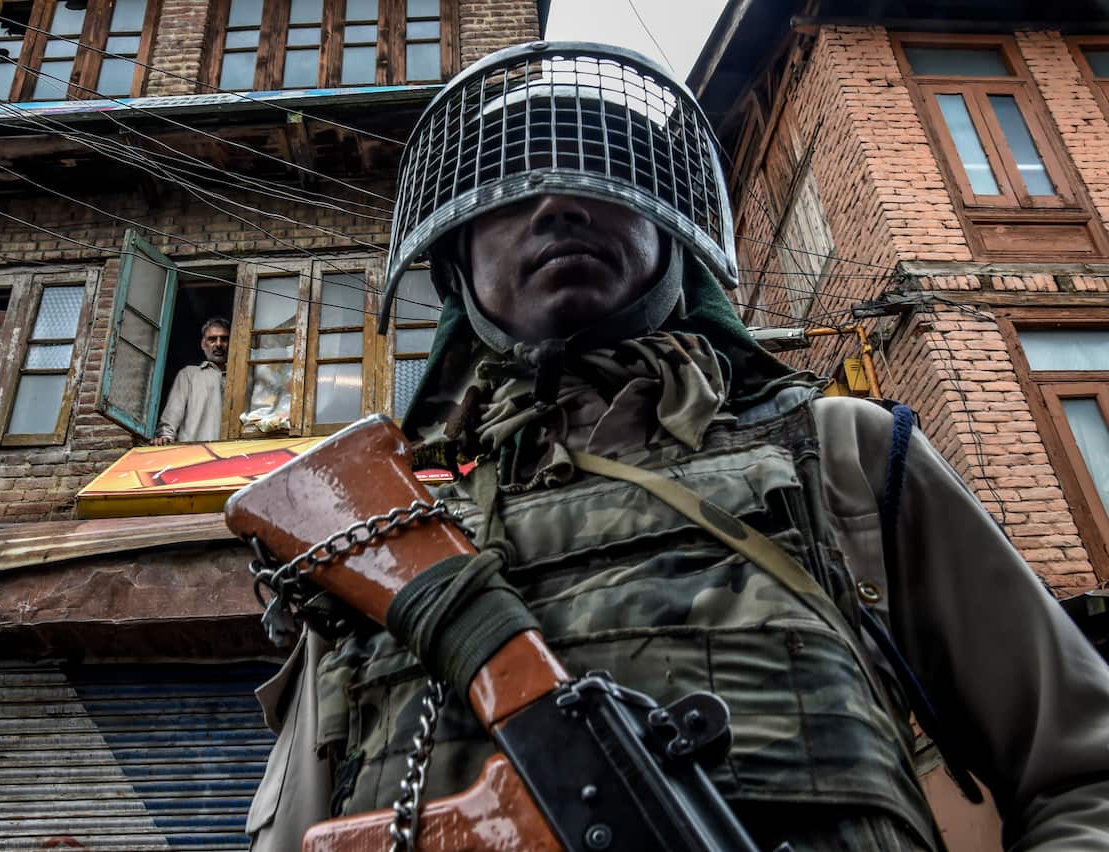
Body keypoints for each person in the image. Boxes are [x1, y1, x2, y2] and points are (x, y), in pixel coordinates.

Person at [245, 43, 1109, 851]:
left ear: (674, 240)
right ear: (456, 266)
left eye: (609, 170)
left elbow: (1083, 774)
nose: (557, 201)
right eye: (504, 191)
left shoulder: (842, 456)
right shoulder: (377, 542)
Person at [153, 317, 230, 445]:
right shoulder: (189, 374)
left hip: (234, 453)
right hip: (193, 452)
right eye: (212, 339)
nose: (218, 344)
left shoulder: (242, 377)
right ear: (203, 344)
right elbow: (174, 411)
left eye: (224, 339)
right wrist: (165, 436)